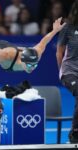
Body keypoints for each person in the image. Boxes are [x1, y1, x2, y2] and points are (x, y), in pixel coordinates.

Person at [56, 0, 78, 143]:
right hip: (69, 71)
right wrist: (61, 71)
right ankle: (74, 132)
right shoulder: (68, 28)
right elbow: (59, 52)